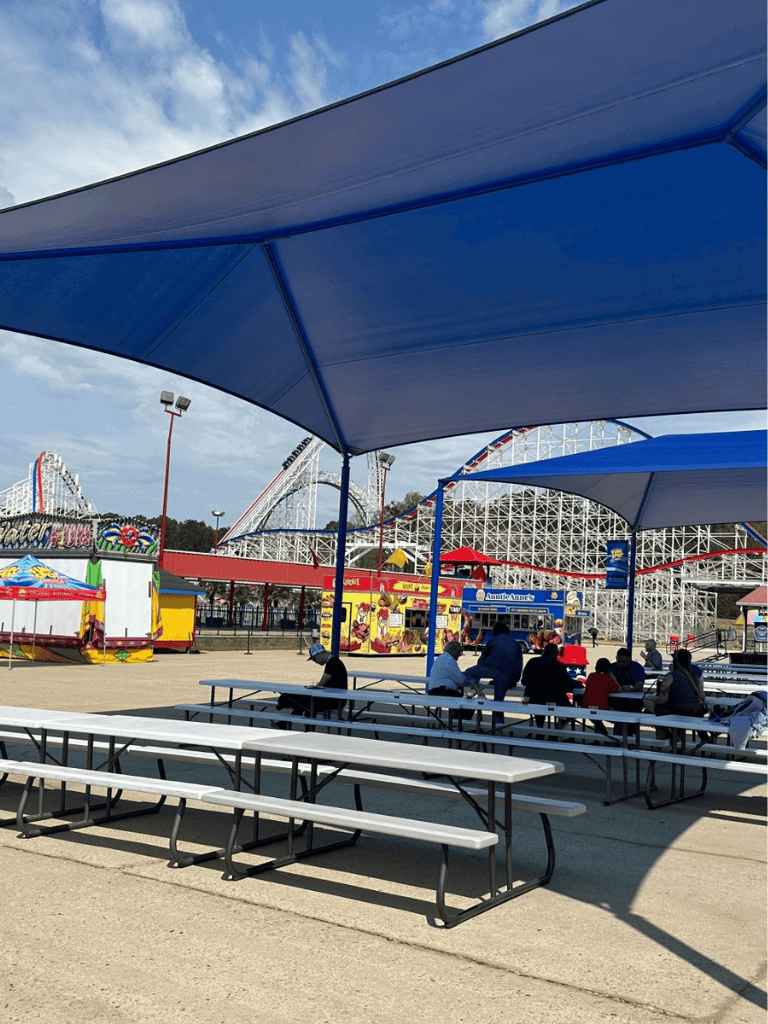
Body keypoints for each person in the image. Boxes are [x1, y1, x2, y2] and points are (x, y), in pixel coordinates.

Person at [643, 647, 706, 746]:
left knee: (647, 703)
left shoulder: (670, 676)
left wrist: (651, 699)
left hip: (677, 711)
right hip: (695, 712)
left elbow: (662, 699)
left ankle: (670, 737)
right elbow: (702, 696)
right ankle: (672, 737)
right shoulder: (695, 677)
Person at [274, 642, 347, 724]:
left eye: (314, 659)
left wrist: (314, 687)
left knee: (306, 703)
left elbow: (322, 683)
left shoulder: (333, 663)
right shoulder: (333, 662)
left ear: (319, 655)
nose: (315, 662)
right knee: (306, 704)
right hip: (334, 698)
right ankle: (288, 723)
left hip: (334, 700)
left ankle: (287, 719)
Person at [463, 621, 523, 702]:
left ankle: (478, 691)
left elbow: (481, 660)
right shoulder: (516, 643)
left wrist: (479, 676)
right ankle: (497, 713)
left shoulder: (493, 640)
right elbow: (519, 663)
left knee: (468, 672)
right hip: (509, 676)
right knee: (498, 703)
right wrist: (514, 679)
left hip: (492, 670)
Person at [521, 642, 573, 728]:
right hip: (553, 699)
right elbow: (568, 687)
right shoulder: (559, 666)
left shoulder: (532, 662)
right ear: (556, 654)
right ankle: (557, 729)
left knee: (539, 706)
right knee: (569, 708)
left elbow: (524, 681)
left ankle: (540, 729)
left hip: (533, 698)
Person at [426, 640, 474, 722]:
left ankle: (455, 723)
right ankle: (457, 724)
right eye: (459, 652)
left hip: (435, 690)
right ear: (452, 651)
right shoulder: (449, 660)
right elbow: (461, 680)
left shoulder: (442, 658)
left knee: (462, 699)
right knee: (469, 703)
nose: (459, 655)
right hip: (442, 691)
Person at [581, 657, 620, 737]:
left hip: (586, 708)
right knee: (620, 720)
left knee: (596, 720)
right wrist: (613, 678)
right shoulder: (607, 678)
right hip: (600, 709)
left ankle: (604, 738)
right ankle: (615, 740)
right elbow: (619, 689)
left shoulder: (591, 676)